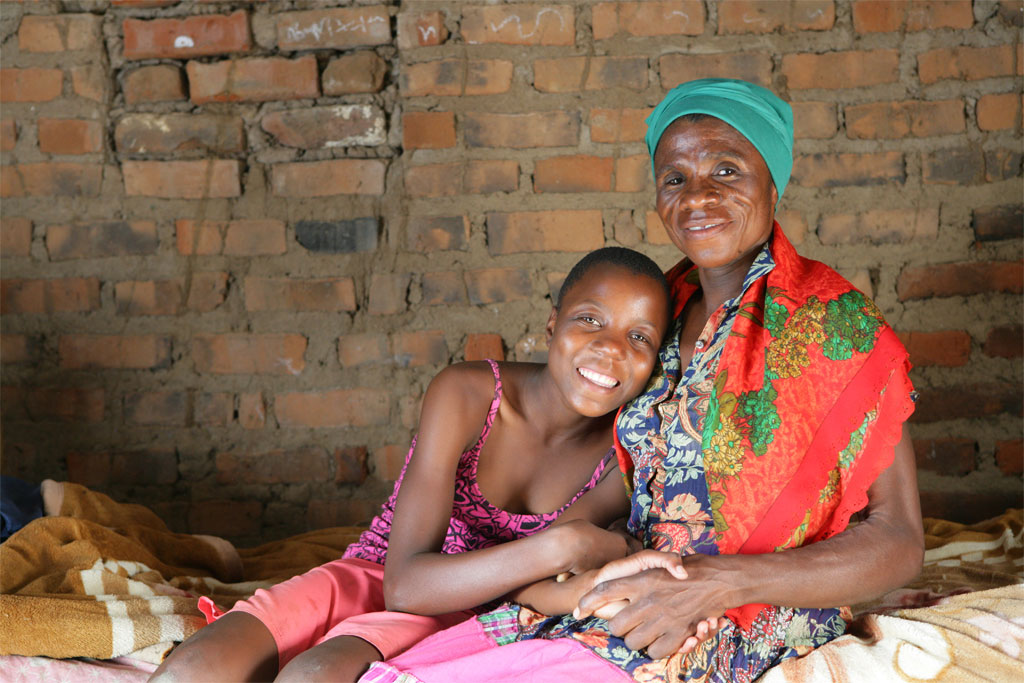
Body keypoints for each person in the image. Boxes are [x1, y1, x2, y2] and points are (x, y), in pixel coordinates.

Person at [360, 78, 925, 683]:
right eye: (675, 177)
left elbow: (899, 539)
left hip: (744, 614)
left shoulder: (832, 325)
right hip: (625, 592)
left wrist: (719, 582)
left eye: (727, 170)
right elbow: (617, 481)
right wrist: (569, 572)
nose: (697, 197)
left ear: (772, 182)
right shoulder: (655, 314)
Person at [151, 246, 675, 682]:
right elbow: (402, 583)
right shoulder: (470, 394)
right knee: (192, 667)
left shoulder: (620, 456)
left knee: (313, 676)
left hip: (468, 613)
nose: (610, 349)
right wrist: (568, 545)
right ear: (552, 322)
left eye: (639, 337)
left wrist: (573, 581)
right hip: (377, 571)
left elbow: (528, 587)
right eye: (590, 320)